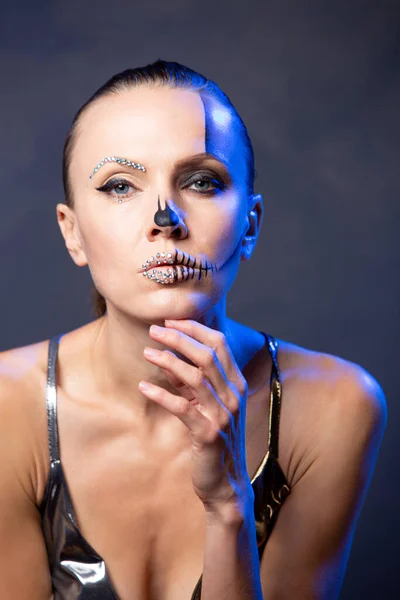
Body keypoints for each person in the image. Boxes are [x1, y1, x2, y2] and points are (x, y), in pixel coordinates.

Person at [0, 59, 387, 600]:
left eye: (202, 182)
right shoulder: (7, 408)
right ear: (73, 234)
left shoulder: (335, 406)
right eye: (119, 186)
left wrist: (229, 505)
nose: (166, 217)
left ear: (249, 226)